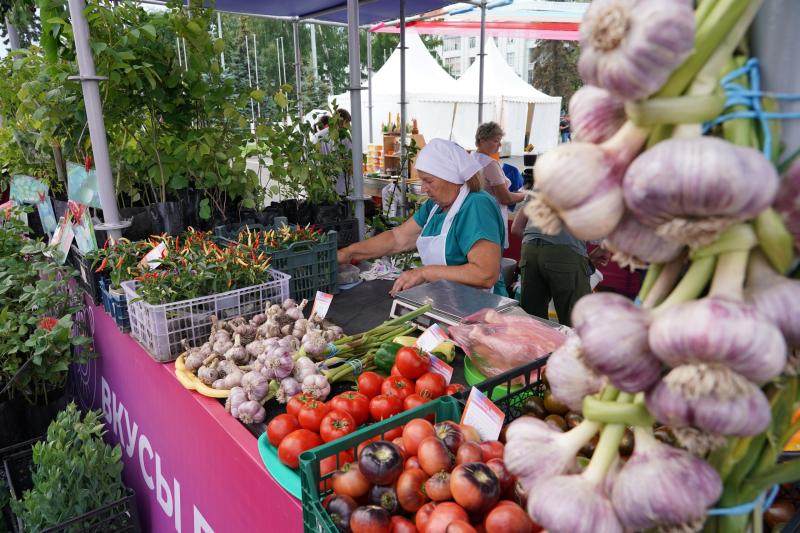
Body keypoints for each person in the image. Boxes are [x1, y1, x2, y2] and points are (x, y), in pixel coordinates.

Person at [337, 139, 507, 296]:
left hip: (481, 310)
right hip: (449, 301)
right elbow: (398, 238)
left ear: (451, 178)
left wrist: (425, 272)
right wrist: (349, 252)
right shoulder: (435, 206)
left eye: (429, 181)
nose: (424, 189)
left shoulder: (477, 205)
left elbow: (485, 274)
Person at [511, 201, 608, 326]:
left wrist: (543, 249)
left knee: (533, 320)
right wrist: (604, 249)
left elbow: (516, 228)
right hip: (566, 252)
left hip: (529, 250)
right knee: (575, 321)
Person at [471, 122, 526, 248]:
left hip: (475, 215)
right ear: (483, 140)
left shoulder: (472, 157)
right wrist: (524, 195)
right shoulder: (490, 164)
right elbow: (504, 198)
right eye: (496, 141)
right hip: (491, 217)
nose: (500, 145)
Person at [314, 108, 352, 194]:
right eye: (348, 123)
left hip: (322, 182)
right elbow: (350, 163)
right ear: (344, 121)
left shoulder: (317, 136)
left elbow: (313, 158)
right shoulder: (345, 137)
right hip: (342, 185)